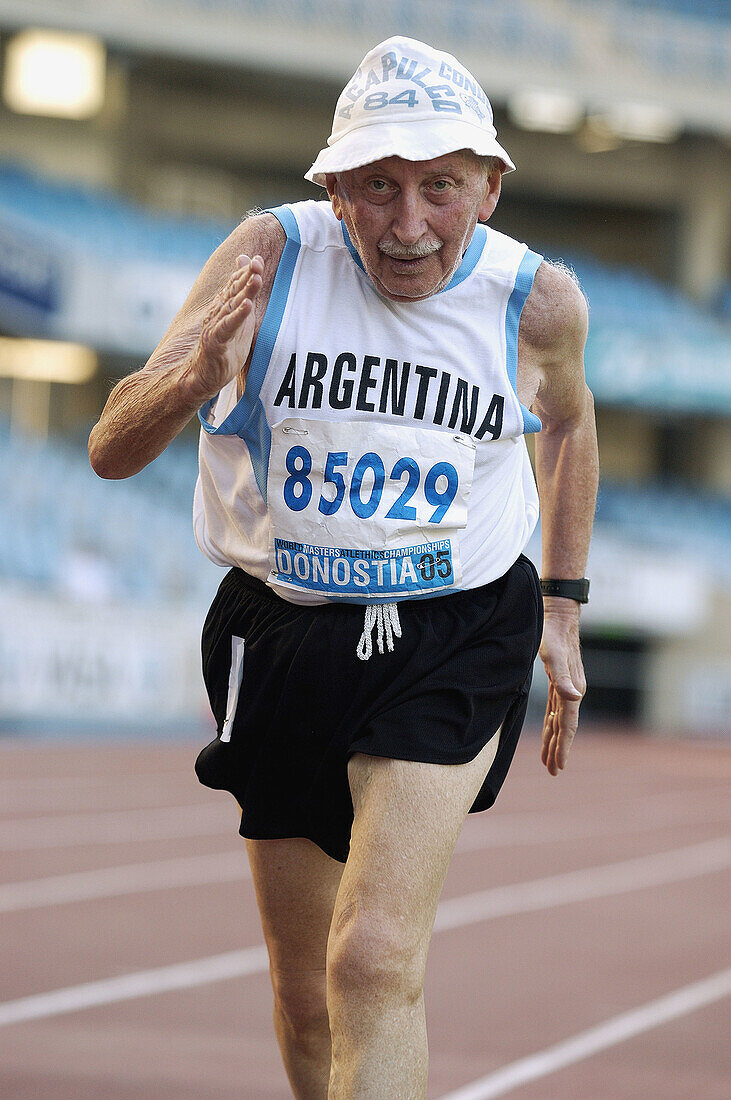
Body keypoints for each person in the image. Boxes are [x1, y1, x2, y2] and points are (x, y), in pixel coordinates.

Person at [89, 35, 598, 1100]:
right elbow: (110, 448)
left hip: (456, 626)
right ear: (331, 188)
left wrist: (559, 601)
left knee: (370, 956)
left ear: (490, 189)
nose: (407, 224)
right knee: (306, 995)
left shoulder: (534, 301)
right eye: (375, 187)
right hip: (281, 624)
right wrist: (191, 378)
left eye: (439, 188)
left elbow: (566, 423)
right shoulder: (266, 260)